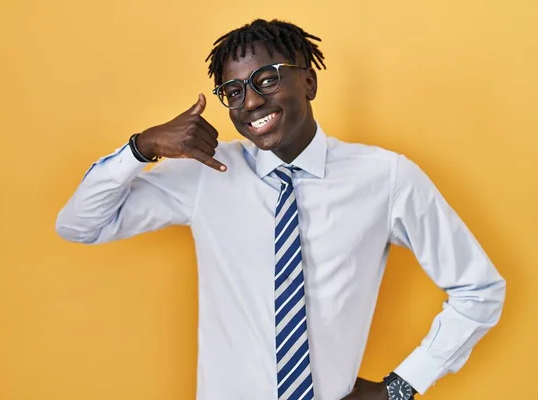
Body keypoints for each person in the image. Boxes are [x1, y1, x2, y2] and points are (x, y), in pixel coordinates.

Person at [56, 19, 506, 400]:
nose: (250, 101)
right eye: (232, 91)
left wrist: (402, 386)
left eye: (266, 79)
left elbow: (479, 289)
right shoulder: (207, 174)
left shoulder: (385, 178)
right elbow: (80, 225)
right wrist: (142, 147)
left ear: (308, 81)